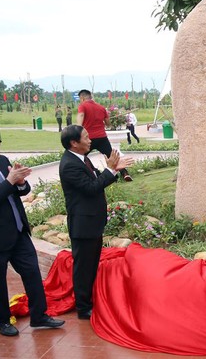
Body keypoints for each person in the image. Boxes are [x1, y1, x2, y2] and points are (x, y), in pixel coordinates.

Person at [0, 125, 65, 336]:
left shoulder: (2, 161)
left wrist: (20, 182)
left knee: (32, 274)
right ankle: (1, 320)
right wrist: (9, 181)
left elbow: (20, 191)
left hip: (18, 231)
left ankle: (39, 315)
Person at [59, 125, 133, 320]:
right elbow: (91, 188)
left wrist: (113, 170)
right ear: (74, 143)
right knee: (84, 267)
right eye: (85, 137)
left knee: (91, 264)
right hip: (83, 225)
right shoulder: (69, 165)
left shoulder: (81, 159)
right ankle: (83, 308)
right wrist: (110, 169)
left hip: (91, 222)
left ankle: (89, 300)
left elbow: (97, 181)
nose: (90, 140)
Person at [76, 89, 132, 181]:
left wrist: (77, 130)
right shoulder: (101, 107)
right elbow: (108, 123)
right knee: (111, 156)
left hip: (88, 139)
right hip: (102, 137)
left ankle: (94, 174)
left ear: (82, 98)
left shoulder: (82, 106)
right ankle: (124, 173)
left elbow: (81, 116)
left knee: (80, 158)